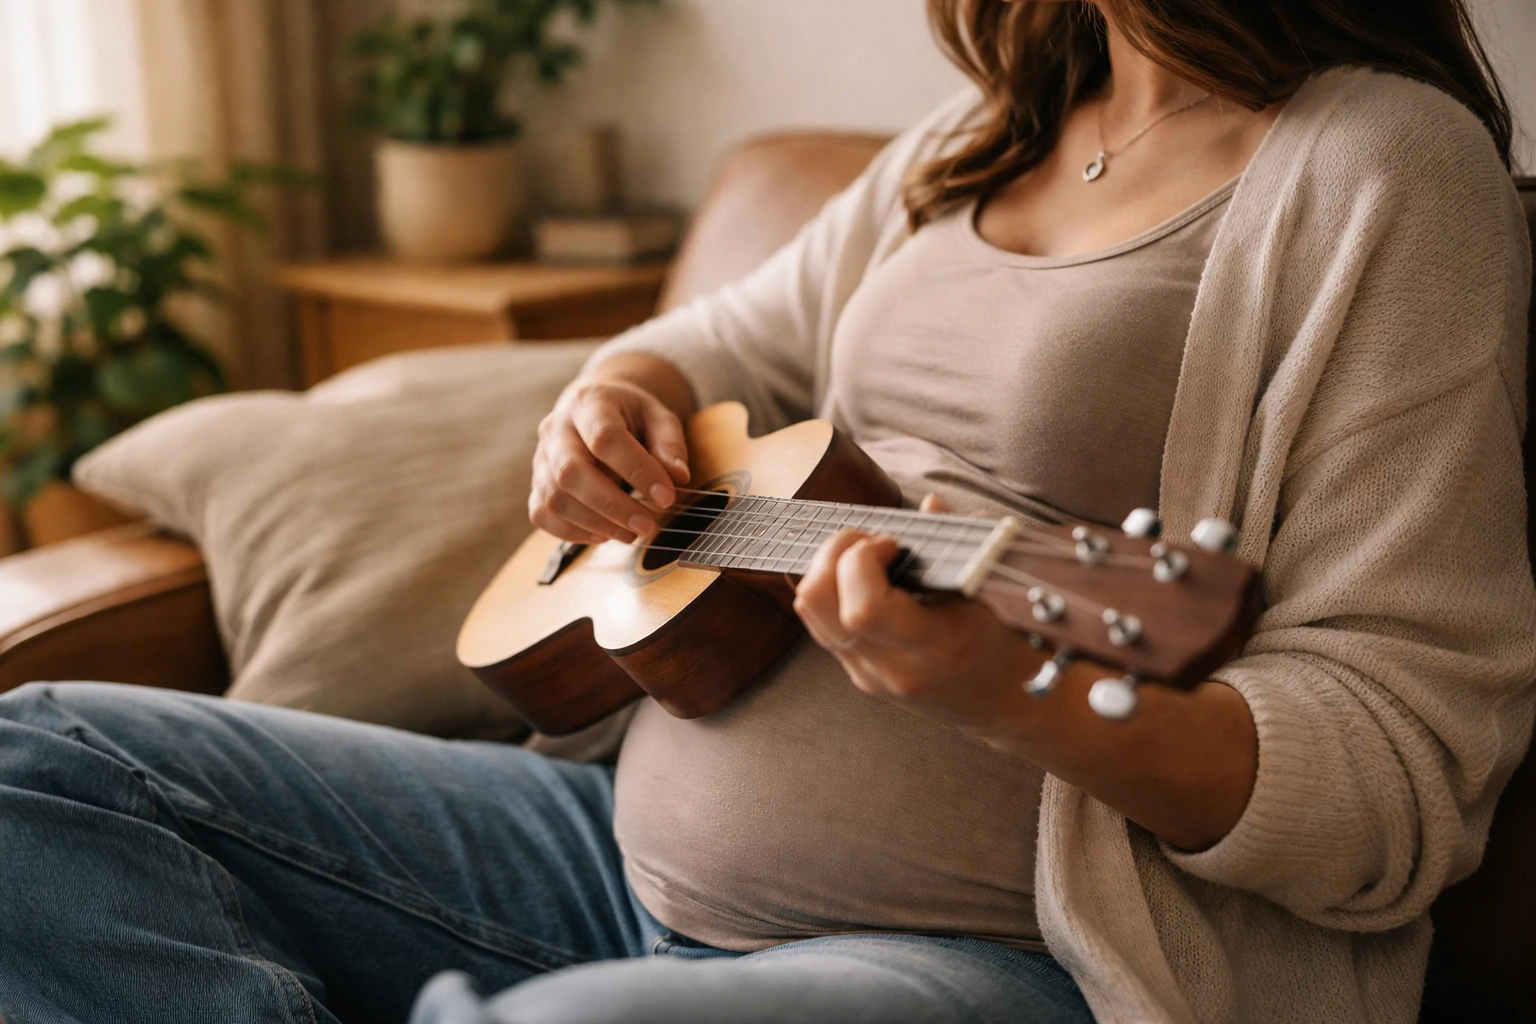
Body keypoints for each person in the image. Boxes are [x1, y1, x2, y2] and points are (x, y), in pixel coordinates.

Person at [2, 1, 1532, 1022]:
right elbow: (717, 344)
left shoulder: (1384, 167)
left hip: (997, 961)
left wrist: (1023, 698)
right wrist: (601, 405)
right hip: (601, 848)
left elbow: (1400, 771)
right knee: (37, 763)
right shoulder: (982, 135)